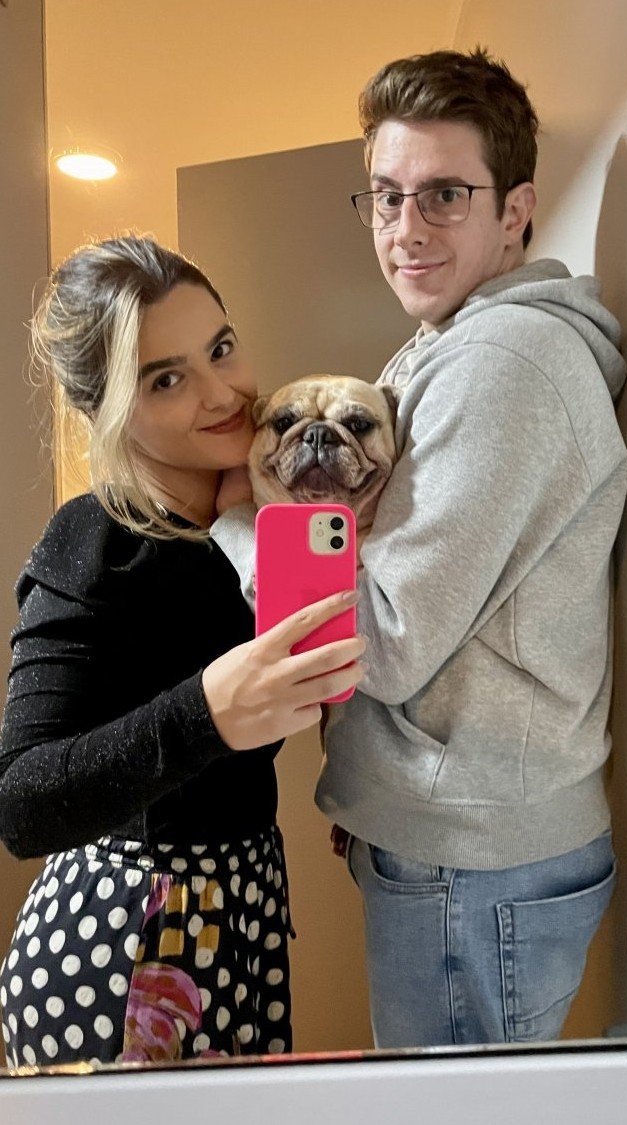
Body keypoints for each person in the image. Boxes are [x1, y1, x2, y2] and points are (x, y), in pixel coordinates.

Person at [211, 49, 627, 1047]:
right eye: (387, 196)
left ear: (516, 209)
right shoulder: (446, 345)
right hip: (461, 838)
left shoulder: (502, 364)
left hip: (473, 859)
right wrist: (375, 784)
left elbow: (388, 642)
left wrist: (237, 521)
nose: (405, 229)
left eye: (444, 194)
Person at [0, 235, 365, 1068]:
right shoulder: (93, 541)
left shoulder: (269, 529)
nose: (222, 393)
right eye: (167, 379)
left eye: (221, 348)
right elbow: (20, 802)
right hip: (118, 946)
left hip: (242, 919)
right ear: (106, 411)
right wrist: (206, 712)